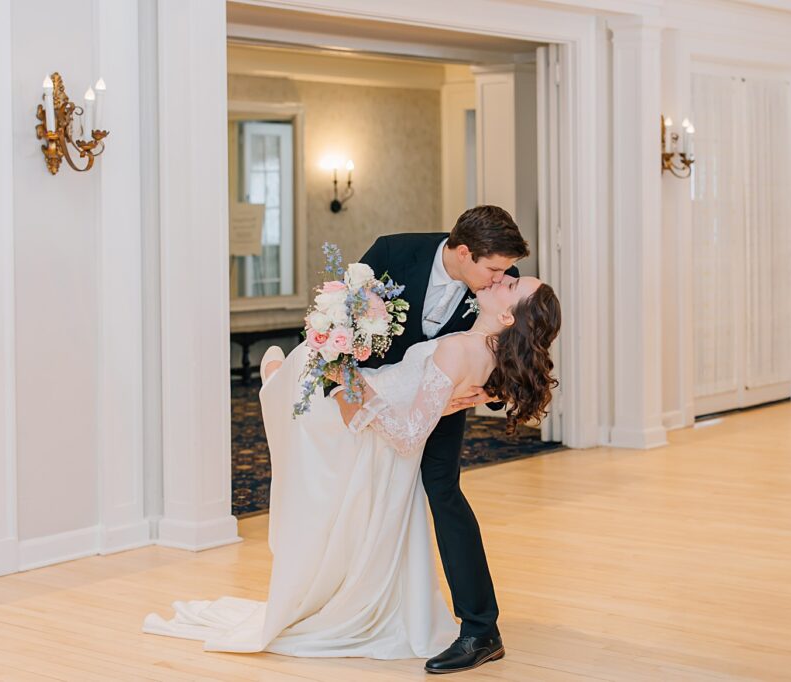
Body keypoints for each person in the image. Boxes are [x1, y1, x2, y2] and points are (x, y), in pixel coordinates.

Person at [143, 207, 561, 675]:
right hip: (370, 387)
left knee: (442, 492)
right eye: (494, 270)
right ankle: (346, 592)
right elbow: (331, 329)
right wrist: (342, 391)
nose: (501, 277)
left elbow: (513, 350)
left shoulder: (502, 284)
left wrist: (481, 393)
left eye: (506, 272)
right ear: (464, 252)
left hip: (433, 398)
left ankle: (481, 628)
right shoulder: (392, 253)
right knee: (351, 492)